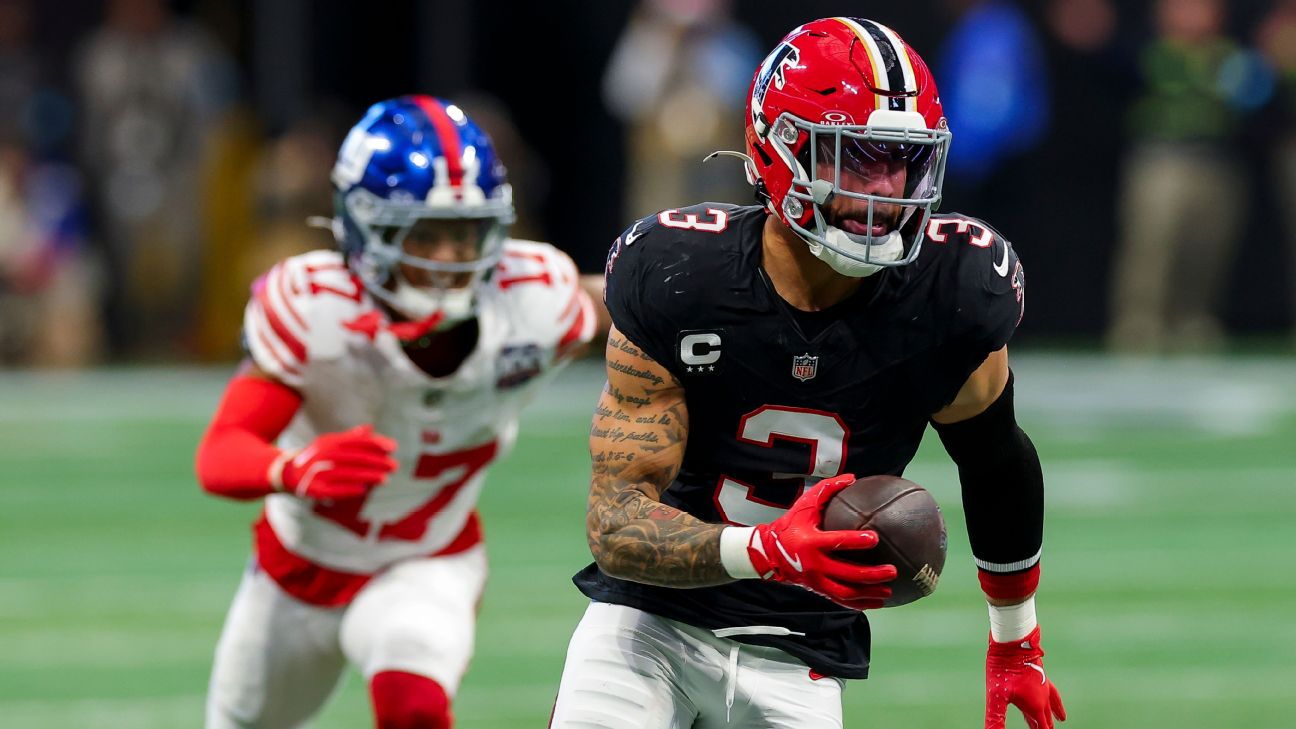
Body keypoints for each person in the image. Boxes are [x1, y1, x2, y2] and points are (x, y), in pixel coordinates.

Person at [550, 17, 1066, 729]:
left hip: (805, 652)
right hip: (650, 626)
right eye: (858, 158)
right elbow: (615, 524)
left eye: (904, 161)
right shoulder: (681, 275)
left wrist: (1017, 641)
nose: (887, 190)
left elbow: (996, 460)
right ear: (780, 150)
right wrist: (767, 550)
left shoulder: (953, 292)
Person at [195, 95, 600, 729]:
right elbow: (221, 452)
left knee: (413, 706)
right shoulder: (316, 309)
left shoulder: (532, 299)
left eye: (465, 232)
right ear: (366, 229)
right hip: (301, 567)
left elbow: (634, 303)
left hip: (428, 556)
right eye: (426, 233)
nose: (450, 257)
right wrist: (293, 469)